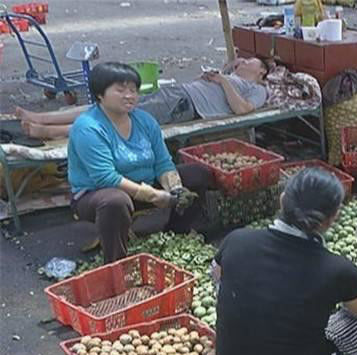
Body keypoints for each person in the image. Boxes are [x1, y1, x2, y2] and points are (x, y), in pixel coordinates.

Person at [212, 168, 357, 355]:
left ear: (282, 201)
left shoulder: (236, 240)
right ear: (332, 218)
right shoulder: (337, 270)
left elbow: (218, 281)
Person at [67, 62, 216, 263]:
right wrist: (153, 195)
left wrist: (176, 189)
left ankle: (176, 234)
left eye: (133, 90)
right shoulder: (88, 127)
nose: (129, 95)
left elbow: (163, 163)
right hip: (97, 194)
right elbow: (105, 177)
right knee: (115, 201)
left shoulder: (144, 120)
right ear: (100, 94)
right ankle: (115, 263)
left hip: (145, 184)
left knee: (197, 174)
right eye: (120, 90)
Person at [16, 58, 270, 139]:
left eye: (248, 61)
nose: (242, 62)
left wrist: (224, 80)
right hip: (178, 94)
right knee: (108, 105)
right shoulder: (230, 74)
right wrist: (222, 71)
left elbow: (243, 110)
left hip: (184, 105)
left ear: (261, 72)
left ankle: (52, 131)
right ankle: (42, 118)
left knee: (121, 116)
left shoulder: (258, 88)